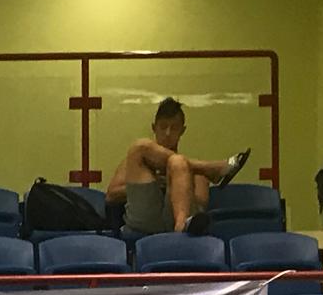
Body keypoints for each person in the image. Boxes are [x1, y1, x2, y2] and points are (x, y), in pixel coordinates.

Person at [105, 97, 249, 236]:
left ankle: (181, 226)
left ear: (182, 130)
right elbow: (111, 195)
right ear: (154, 128)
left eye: (174, 128)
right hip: (145, 220)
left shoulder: (192, 171)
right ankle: (211, 169)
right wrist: (157, 183)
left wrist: (178, 184)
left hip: (176, 219)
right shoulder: (137, 163)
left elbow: (200, 206)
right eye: (163, 127)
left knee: (178, 163)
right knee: (139, 148)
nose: (167, 133)